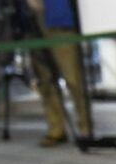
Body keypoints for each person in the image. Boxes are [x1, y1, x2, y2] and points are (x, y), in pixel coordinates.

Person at [27, 0, 92, 147]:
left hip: (57, 17)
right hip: (30, 22)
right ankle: (56, 128)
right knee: (45, 80)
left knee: (73, 77)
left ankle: (85, 127)